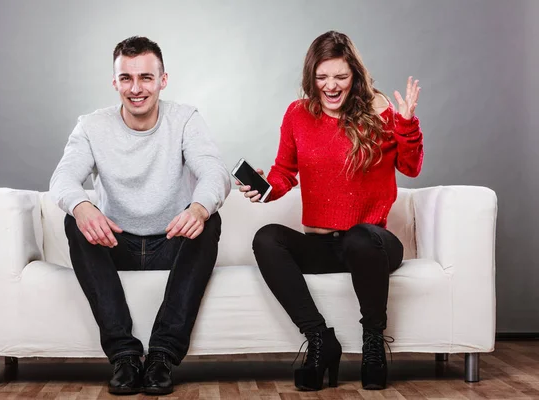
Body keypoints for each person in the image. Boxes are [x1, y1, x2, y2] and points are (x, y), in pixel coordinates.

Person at [239, 31, 423, 391]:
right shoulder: (298, 114)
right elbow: (283, 173)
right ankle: (321, 340)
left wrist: (405, 124)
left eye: (340, 77)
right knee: (267, 238)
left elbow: (411, 167)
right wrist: (263, 189)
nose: (331, 86)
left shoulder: (379, 110)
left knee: (358, 237)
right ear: (312, 78)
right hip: (323, 245)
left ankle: (373, 342)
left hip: (373, 245)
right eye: (322, 78)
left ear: (354, 75)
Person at [49, 36, 231, 395]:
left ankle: (162, 355)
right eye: (126, 78)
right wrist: (83, 206)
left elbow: (215, 172)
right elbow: (63, 178)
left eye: (146, 77)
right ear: (114, 82)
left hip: (172, 241)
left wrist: (198, 207)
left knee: (211, 219)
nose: (136, 88)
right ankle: (124, 356)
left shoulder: (185, 119)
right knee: (75, 219)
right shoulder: (91, 126)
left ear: (163, 80)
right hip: (116, 243)